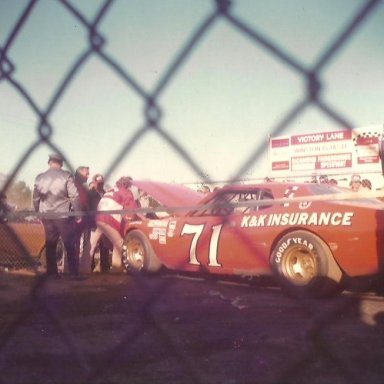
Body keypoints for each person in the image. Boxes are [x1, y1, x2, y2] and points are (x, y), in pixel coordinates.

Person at [33, 153, 82, 279]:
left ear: (49, 162)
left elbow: (36, 198)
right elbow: (74, 196)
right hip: (63, 215)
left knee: (50, 244)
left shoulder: (40, 178)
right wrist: (77, 214)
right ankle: (73, 273)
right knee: (69, 244)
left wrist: (38, 212)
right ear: (61, 163)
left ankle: (52, 273)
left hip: (46, 215)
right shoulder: (66, 176)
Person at [90, 176, 138, 271]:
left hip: (98, 217)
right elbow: (131, 210)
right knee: (119, 243)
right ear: (127, 184)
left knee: (92, 244)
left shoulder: (110, 190)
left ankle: (84, 268)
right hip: (109, 219)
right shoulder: (126, 192)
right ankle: (117, 268)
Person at [88, 174, 112, 272]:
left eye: (102, 182)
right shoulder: (90, 194)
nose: (100, 184)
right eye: (98, 182)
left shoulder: (105, 193)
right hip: (94, 223)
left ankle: (104, 266)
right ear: (94, 182)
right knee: (92, 246)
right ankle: (90, 266)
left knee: (104, 246)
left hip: (105, 223)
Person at [74, 166, 91, 272]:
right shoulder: (74, 185)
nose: (88, 176)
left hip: (82, 217)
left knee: (78, 244)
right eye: (86, 173)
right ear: (80, 174)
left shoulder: (82, 186)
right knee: (73, 243)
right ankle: (71, 269)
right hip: (75, 218)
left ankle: (76, 268)